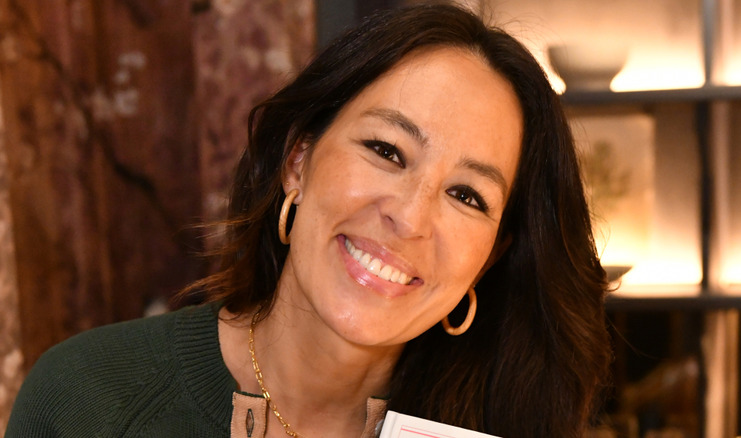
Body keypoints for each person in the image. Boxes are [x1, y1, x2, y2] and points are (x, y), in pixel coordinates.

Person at [6, 3, 611, 437]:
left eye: (466, 195)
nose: (409, 217)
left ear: (492, 256)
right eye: (386, 151)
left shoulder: (508, 424)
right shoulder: (92, 398)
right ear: (298, 161)